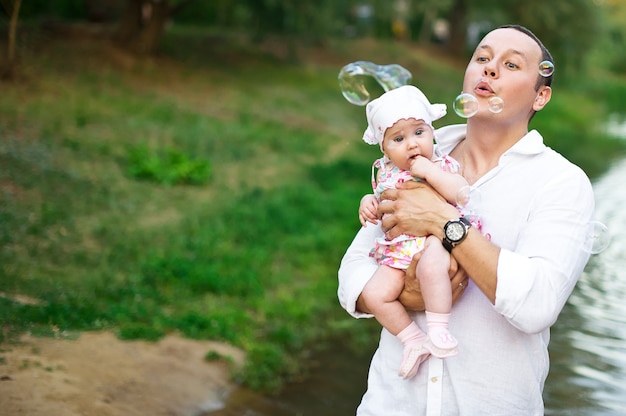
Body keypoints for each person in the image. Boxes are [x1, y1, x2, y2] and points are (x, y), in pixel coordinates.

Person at [338, 24, 595, 415]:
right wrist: (407, 293)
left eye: (510, 64)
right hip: (391, 404)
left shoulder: (561, 182)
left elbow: (537, 304)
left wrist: (444, 222)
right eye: (482, 58)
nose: (489, 69)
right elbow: (352, 271)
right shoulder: (411, 154)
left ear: (540, 96)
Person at [356, 85, 470, 379]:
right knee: (375, 294)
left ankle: (438, 330)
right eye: (398, 138)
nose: (412, 144)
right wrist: (368, 202)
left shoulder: (441, 165)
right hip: (400, 249)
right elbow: (383, 201)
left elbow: (461, 194)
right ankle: (413, 340)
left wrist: (431, 173)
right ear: (384, 148)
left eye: (419, 133)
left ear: (432, 133)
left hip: (435, 239)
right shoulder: (385, 172)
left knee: (432, 268)